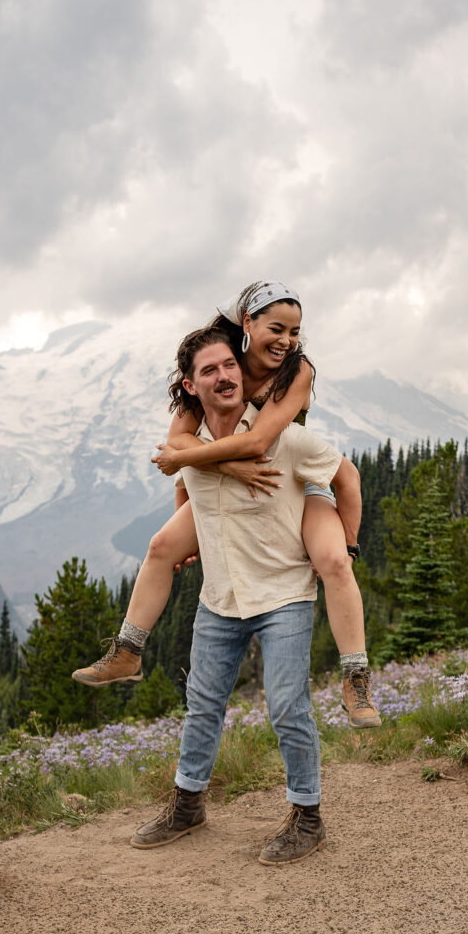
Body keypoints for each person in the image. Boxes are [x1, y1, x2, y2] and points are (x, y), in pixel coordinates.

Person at [72, 281, 380, 728]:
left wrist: (350, 544)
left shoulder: (297, 371)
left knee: (333, 561)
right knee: (160, 547)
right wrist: (227, 469)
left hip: (291, 477)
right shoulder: (221, 360)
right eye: (277, 328)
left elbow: (253, 442)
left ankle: (356, 680)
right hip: (235, 486)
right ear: (248, 323)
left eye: (295, 331)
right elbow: (180, 439)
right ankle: (127, 651)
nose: (287, 340)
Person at [129, 325, 357, 863]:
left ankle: (308, 816)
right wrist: (187, 537)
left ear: (244, 371)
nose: (224, 375)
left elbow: (346, 475)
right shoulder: (194, 449)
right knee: (202, 704)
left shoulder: (288, 439)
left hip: (284, 595)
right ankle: (188, 806)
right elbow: (186, 487)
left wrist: (347, 546)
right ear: (190, 385)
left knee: (286, 706)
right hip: (220, 598)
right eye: (209, 370)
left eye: (229, 365)